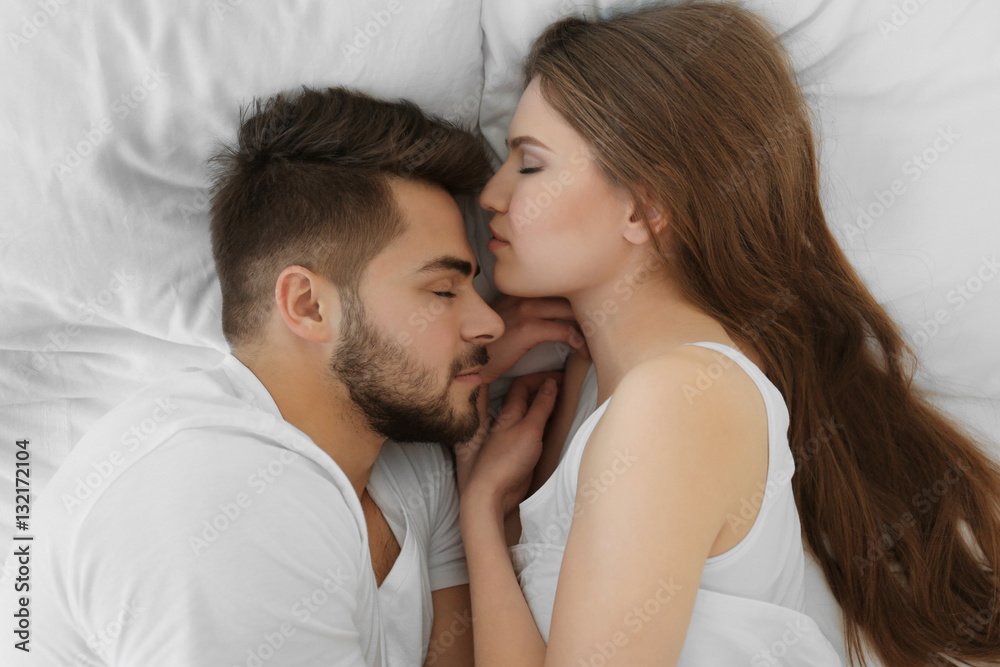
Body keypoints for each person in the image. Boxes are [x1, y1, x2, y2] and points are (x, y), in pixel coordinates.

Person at [456, 3, 1000, 667]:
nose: (491, 194)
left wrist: (481, 517)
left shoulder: (677, 400)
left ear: (645, 207)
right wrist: (481, 492)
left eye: (529, 164)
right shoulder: (593, 385)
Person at [12, 86, 578, 667]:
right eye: (442, 290)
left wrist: (481, 507)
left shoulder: (412, 472)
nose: (488, 322)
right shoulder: (213, 496)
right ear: (308, 305)